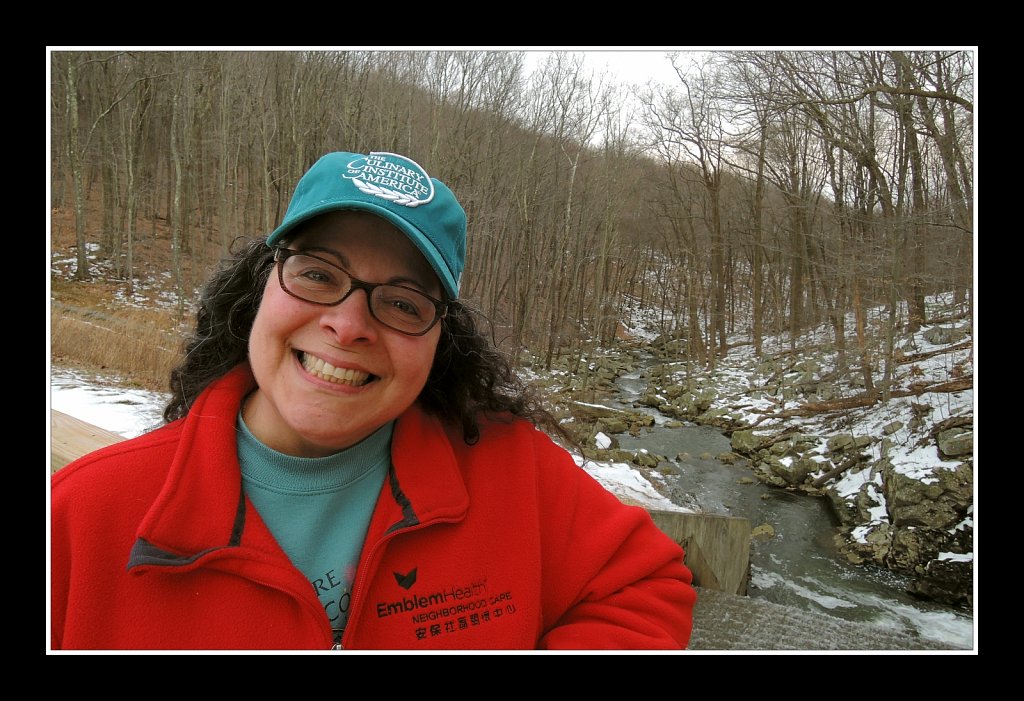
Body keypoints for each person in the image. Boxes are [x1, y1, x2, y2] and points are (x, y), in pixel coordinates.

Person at [50, 150, 697, 651]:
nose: (349, 324)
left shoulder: (513, 472)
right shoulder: (81, 518)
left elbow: (648, 582)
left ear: (440, 339)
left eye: (401, 302)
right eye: (318, 274)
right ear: (263, 284)